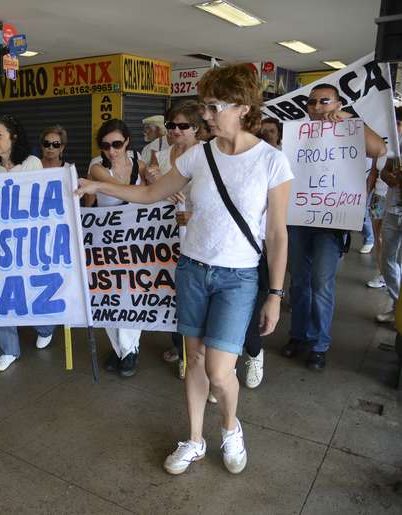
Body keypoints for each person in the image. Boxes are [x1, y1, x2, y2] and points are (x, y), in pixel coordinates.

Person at [76, 64, 293, 476]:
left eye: (213, 107)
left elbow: (278, 235)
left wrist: (275, 294)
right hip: (192, 269)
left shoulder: (271, 161)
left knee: (218, 369)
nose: (205, 116)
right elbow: (149, 193)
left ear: (243, 108)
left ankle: (230, 428)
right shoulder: (200, 154)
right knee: (193, 361)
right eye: (205, 107)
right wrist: (99, 186)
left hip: (238, 277)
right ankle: (194, 439)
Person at [283, 83, 387, 370]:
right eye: (312, 102)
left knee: (321, 283)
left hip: (331, 222)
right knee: (300, 282)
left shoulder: (351, 127)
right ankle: (298, 335)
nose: (317, 108)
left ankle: (319, 343)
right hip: (299, 218)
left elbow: (380, 149)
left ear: (339, 103)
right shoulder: (298, 133)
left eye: (324, 101)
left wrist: (350, 120)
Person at [0, 114, 53, 371]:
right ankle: (8, 348)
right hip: (0, 243)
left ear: (13, 137)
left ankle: (46, 325)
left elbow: (43, 201)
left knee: (28, 290)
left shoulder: (31, 163)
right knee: (2, 294)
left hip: (28, 241)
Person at [87, 119, 149, 377]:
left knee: (132, 295)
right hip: (106, 241)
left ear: (127, 143)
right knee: (108, 296)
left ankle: (130, 350)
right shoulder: (96, 166)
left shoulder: (141, 165)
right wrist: (147, 188)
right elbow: (123, 191)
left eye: (116, 144)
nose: (111, 150)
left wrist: (153, 184)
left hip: (137, 240)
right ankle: (120, 348)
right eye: (105, 145)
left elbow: (153, 195)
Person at [150, 101, 203, 378]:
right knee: (169, 290)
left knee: (190, 295)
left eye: (183, 126)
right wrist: (152, 182)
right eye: (171, 125)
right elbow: (149, 192)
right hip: (163, 232)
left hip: (197, 235)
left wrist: (192, 213)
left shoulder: (206, 156)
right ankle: (178, 344)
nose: (176, 130)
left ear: (197, 128)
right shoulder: (159, 156)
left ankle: (191, 353)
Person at [376, 107, 402, 323]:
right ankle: (397, 303)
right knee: (387, 260)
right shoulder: (397, 146)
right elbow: (384, 172)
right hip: (393, 209)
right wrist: (391, 179)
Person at [366, 157, 389, 289]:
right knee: (378, 238)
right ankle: (383, 274)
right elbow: (374, 171)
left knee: (392, 240)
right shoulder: (383, 138)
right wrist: (366, 192)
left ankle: (393, 273)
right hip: (379, 196)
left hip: (396, 197)